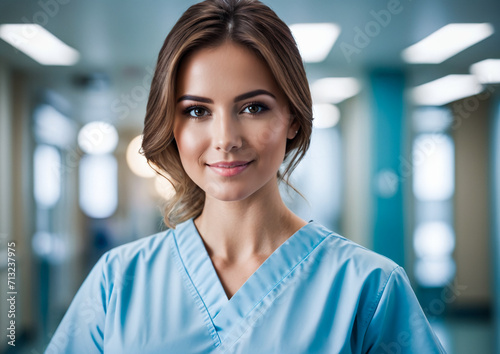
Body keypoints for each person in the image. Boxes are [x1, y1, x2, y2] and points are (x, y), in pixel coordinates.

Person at [45, 0, 446, 353]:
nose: (225, 140)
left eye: (253, 108)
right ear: (171, 124)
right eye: (197, 111)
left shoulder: (369, 289)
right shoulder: (117, 282)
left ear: (292, 117)